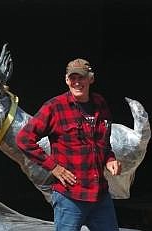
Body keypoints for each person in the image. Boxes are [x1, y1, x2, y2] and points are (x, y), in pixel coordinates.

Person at [15, 58, 122, 231]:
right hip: (70, 197)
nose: (77, 82)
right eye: (73, 78)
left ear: (91, 79)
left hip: (100, 196)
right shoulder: (54, 107)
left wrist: (110, 159)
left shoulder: (100, 104)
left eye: (81, 77)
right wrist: (53, 167)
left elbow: (103, 143)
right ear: (67, 80)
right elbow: (24, 139)